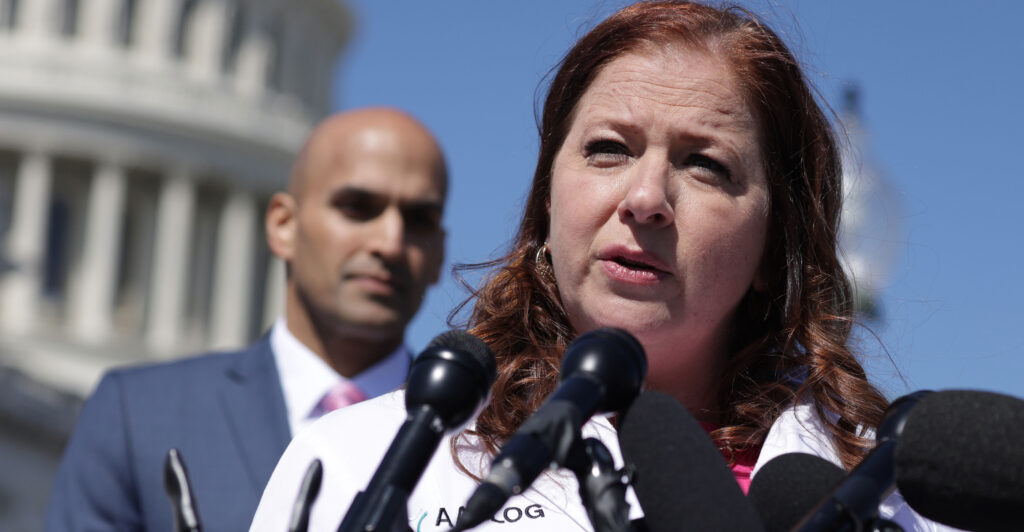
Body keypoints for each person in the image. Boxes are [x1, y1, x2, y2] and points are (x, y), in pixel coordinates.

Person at [250, 3, 949, 531]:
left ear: (776, 248)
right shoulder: (354, 464)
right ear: (546, 207)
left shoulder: (901, 498)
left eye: (705, 165)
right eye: (609, 149)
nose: (646, 200)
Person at [45, 108, 448, 532]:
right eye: (356, 208)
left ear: (440, 252)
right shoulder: (137, 415)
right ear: (283, 225)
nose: (390, 241)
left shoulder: (481, 443)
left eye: (419, 219)